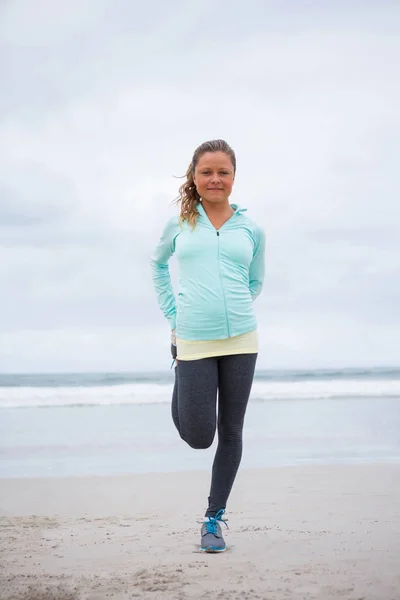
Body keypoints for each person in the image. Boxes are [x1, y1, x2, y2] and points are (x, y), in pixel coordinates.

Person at [151, 139, 265, 553]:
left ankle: (214, 520)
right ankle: (179, 370)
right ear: (194, 177)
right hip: (194, 340)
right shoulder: (180, 223)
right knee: (198, 436)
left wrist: (232, 308)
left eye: (223, 172)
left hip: (241, 340)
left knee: (231, 432)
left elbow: (255, 280)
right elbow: (157, 264)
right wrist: (174, 315)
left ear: (234, 177)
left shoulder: (251, 228)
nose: (215, 179)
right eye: (206, 172)